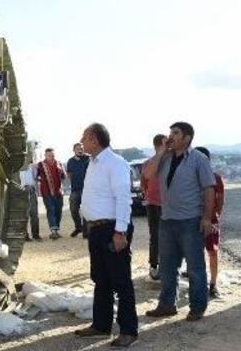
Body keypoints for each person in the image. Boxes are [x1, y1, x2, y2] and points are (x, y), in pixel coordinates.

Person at [143, 122, 215, 322]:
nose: (171, 136)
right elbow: (148, 175)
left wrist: (207, 218)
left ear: (187, 138)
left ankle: (197, 307)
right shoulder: (165, 157)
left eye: (175, 133)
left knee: (195, 268)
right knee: (166, 267)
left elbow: (209, 189)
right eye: (170, 133)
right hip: (167, 220)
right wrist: (160, 152)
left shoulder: (198, 159)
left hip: (190, 221)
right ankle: (167, 305)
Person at [73, 123, 137, 347]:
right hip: (97, 229)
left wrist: (120, 232)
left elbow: (123, 199)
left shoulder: (115, 163)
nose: (81, 140)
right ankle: (101, 325)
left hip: (113, 229)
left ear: (95, 140)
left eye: (85, 137)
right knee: (100, 279)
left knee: (120, 280)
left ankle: (129, 330)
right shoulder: (93, 162)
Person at [194, 146, 225, 298]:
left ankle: (213, 284)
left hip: (210, 220)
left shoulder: (215, 178)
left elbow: (220, 201)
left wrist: (214, 217)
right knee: (194, 253)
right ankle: (199, 284)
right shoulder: (190, 177)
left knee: (212, 252)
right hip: (191, 221)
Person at [141, 134, 167, 281]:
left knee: (170, 236)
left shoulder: (170, 161)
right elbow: (144, 182)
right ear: (157, 146)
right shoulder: (148, 163)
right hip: (153, 204)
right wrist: (148, 195)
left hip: (169, 204)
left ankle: (169, 264)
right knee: (155, 236)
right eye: (165, 144)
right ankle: (154, 265)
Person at [34, 148, 67, 239]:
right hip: (46, 192)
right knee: (51, 209)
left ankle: (56, 229)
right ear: (45, 156)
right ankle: (53, 231)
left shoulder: (59, 164)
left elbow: (64, 176)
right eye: (49, 155)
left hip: (58, 192)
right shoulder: (40, 165)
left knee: (58, 210)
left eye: (53, 155)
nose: (51, 157)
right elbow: (35, 177)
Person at [67, 143, 90, 238]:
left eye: (81, 148)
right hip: (75, 189)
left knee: (86, 211)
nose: (80, 150)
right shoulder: (70, 161)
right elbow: (69, 174)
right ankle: (78, 227)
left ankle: (86, 231)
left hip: (87, 190)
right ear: (74, 150)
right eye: (78, 148)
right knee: (73, 210)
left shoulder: (89, 159)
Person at [20, 164, 42, 241]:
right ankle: (25, 235)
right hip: (21, 190)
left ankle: (36, 234)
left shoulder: (33, 167)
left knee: (34, 214)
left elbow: (38, 177)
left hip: (31, 190)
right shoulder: (16, 167)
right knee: (23, 215)